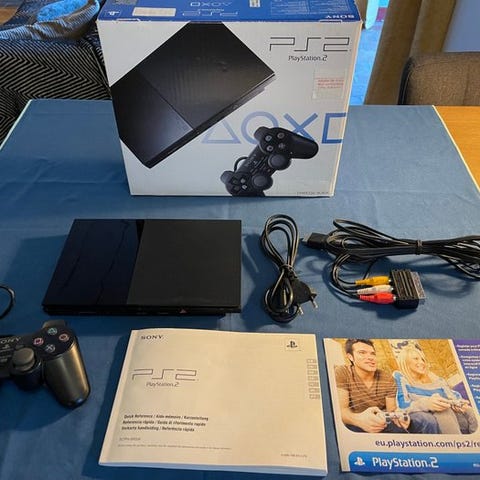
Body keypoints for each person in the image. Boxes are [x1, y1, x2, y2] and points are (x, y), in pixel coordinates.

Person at [335, 339, 439, 434]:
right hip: (355, 422)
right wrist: (359, 420)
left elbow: (391, 410)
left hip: (383, 420)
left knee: (426, 420)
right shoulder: (342, 372)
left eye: (372, 353)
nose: (370, 357)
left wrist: (399, 416)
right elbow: (341, 410)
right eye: (362, 353)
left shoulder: (387, 378)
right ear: (350, 357)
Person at [394, 346, 478, 434]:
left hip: (451, 411)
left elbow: (451, 395)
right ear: (405, 362)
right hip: (437, 414)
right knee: (444, 412)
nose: (422, 362)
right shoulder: (401, 378)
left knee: (470, 411)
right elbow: (402, 406)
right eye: (416, 359)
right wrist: (426, 404)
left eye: (423, 359)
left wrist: (458, 403)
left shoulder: (434, 378)